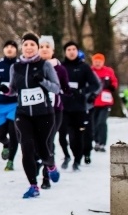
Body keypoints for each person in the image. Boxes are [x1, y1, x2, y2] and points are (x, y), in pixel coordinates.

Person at [0, 33, 61, 197]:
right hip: (23, 114)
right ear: (23, 48)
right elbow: (13, 90)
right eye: (26, 45)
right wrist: (6, 90)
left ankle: (50, 165)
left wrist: (42, 81)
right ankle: (33, 186)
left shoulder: (45, 65)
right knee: (26, 148)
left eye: (33, 45)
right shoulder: (15, 67)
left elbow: (56, 88)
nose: (29, 48)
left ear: (37, 48)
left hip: (44, 114)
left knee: (43, 149)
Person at [60, 41, 101, 171]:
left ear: (77, 52)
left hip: (79, 107)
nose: (71, 51)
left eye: (74, 49)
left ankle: (77, 160)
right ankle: (67, 156)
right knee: (62, 135)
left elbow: (95, 84)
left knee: (77, 136)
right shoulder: (61, 66)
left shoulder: (84, 67)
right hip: (63, 106)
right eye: (68, 49)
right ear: (65, 52)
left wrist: (83, 91)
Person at [37, 35, 69, 189]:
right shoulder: (33, 66)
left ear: (53, 50)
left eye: (47, 47)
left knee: (48, 141)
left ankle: (46, 177)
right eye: (41, 47)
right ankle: (38, 161)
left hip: (55, 111)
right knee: (36, 142)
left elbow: (65, 87)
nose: (44, 49)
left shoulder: (60, 68)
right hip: (35, 111)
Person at [0, 40, 20, 171]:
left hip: (15, 104)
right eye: (7, 47)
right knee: (0, 135)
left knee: (14, 132)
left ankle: (10, 161)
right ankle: (6, 144)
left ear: (16, 50)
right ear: (3, 50)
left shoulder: (20, 65)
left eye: (12, 47)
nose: (9, 49)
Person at [91, 53, 118, 152]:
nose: (97, 63)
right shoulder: (90, 71)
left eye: (99, 61)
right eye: (96, 61)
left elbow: (114, 82)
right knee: (93, 123)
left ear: (103, 62)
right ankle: (96, 141)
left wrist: (111, 86)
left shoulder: (108, 71)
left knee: (101, 122)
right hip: (93, 102)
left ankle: (102, 143)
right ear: (93, 62)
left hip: (105, 102)